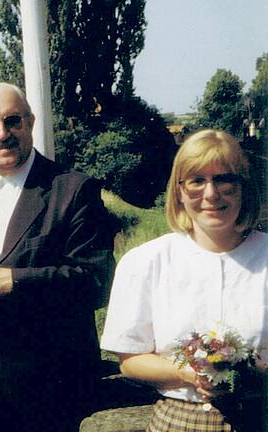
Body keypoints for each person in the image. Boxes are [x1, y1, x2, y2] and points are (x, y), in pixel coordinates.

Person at [0, 82, 116, 431]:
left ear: (30, 123)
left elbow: (96, 281)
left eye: (12, 121)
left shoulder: (73, 189)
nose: (2, 134)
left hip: (53, 391)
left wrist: (15, 282)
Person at [101, 129, 266, 431]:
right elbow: (130, 359)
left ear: (244, 185)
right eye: (196, 181)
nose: (211, 194)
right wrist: (190, 373)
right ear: (178, 190)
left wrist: (252, 372)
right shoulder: (147, 261)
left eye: (224, 179)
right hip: (179, 419)